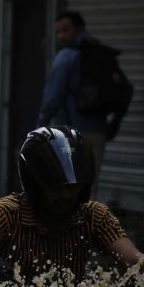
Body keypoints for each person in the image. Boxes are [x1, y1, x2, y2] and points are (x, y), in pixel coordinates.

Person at [0, 126, 144, 286]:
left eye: (74, 187)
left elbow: (135, 260)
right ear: (36, 184)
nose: (67, 195)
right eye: (56, 188)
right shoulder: (2, 214)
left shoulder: (94, 215)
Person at [37, 11, 120, 185]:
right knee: (89, 186)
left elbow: (52, 98)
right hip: (98, 131)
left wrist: (40, 129)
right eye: (58, 32)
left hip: (71, 133)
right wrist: (114, 122)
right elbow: (126, 89)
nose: (60, 36)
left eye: (65, 30)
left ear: (79, 29)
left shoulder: (66, 56)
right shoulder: (102, 53)